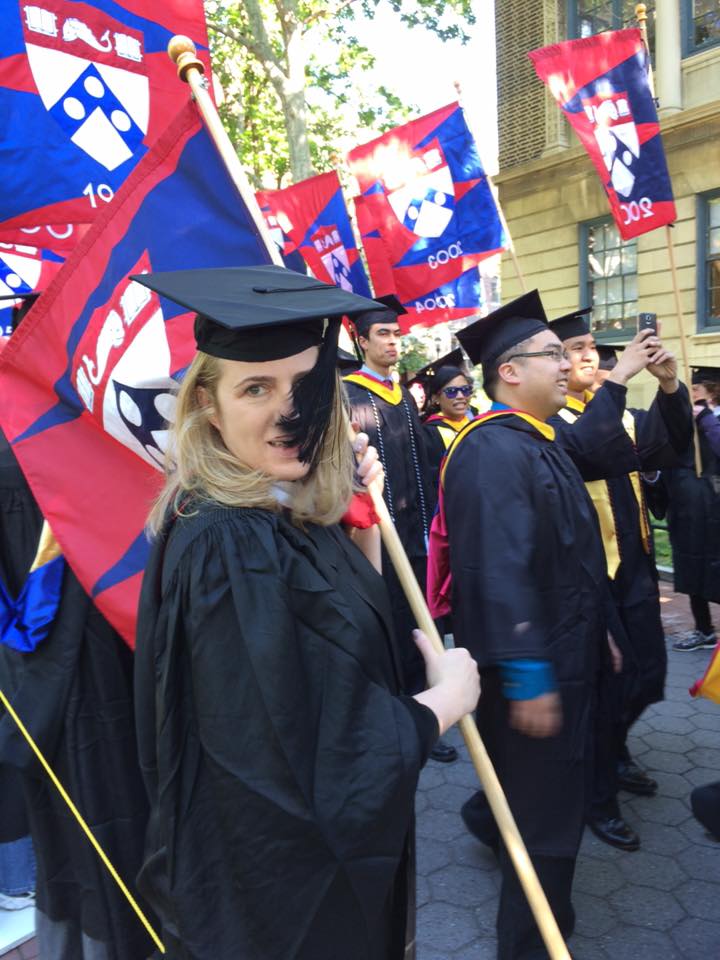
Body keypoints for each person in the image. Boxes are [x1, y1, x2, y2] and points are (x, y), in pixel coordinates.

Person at [132, 265, 480, 960]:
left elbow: (340, 653)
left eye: (307, 386)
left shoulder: (276, 508)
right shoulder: (227, 541)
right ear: (208, 402)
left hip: (299, 886)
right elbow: (304, 754)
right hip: (278, 906)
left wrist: (364, 534)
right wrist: (444, 702)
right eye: (256, 388)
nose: (289, 413)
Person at [429, 290, 607, 960]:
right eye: (552, 356)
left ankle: (489, 819)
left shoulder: (540, 441)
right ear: (509, 371)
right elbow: (498, 573)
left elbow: (570, 555)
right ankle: (532, 943)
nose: (567, 366)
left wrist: (607, 637)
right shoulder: (491, 453)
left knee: (544, 800)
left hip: (571, 651)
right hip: (535, 667)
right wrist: (531, 675)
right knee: (546, 824)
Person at [0, 295, 154, 960]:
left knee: (88, 845)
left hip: (73, 675)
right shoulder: (64, 438)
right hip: (74, 677)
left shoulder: (103, 429)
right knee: (100, 840)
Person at [546, 310, 692, 849]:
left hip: (635, 566)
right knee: (606, 687)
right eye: (575, 348)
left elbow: (669, 445)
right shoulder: (552, 422)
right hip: (590, 576)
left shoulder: (618, 414)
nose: (591, 356)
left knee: (647, 675)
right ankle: (596, 798)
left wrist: (671, 384)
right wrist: (618, 378)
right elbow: (583, 451)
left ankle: (614, 748)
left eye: (593, 347)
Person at [342, 299, 458, 762]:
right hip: (376, 536)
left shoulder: (404, 399)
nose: (393, 342)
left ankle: (426, 708)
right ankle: (399, 717)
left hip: (418, 532)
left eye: (397, 334)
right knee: (389, 625)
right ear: (362, 340)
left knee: (421, 624)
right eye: (383, 335)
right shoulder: (347, 395)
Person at [665, 367, 720, 651]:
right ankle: (704, 629)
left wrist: (708, 419)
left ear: (712, 391)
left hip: (716, 509)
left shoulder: (712, 420)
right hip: (691, 512)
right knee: (692, 567)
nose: (692, 395)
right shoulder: (690, 420)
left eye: (697, 390)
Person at [419, 349, 474, 500]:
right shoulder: (429, 434)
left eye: (465, 390)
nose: (460, 396)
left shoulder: (476, 424)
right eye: (451, 392)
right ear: (436, 398)